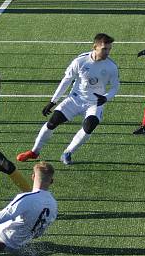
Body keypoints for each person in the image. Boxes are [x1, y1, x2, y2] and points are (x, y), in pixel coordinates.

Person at [16, 33, 119, 165]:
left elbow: (115, 87)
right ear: (95, 47)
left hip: (95, 103)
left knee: (89, 126)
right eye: (104, 49)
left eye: (109, 49)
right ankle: (34, 152)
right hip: (75, 99)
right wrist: (53, 101)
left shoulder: (111, 66)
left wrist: (105, 98)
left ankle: (68, 152)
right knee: (52, 122)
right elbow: (66, 81)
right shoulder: (80, 61)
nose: (107, 52)